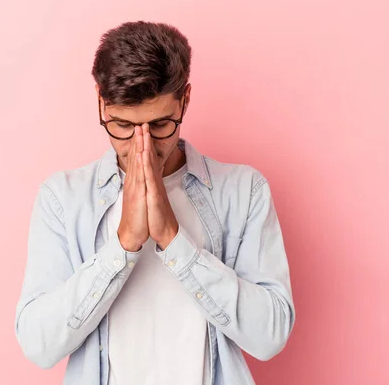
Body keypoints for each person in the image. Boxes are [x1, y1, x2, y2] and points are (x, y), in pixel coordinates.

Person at [15, 21, 295, 385]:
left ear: (186, 100)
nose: (140, 146)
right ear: (101, 103)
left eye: (161, 124)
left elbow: (270, 336)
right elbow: (38, 345)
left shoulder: (244, 191)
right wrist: (122, 247)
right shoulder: (63, 199)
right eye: (123, 126)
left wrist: (176, 241)